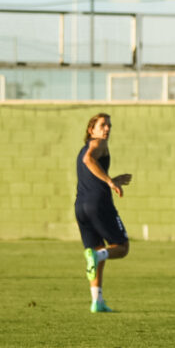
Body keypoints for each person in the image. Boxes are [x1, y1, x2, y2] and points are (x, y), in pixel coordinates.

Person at [75, 113, 131, 313]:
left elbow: (90, 172)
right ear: (91, 130)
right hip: (99, 204)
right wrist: (110, 181)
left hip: (80, 207)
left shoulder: (88, 146)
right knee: (122, 248)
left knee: (97, 251)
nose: (107, 129)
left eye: (109, 125)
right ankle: (97, 257)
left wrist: (112, 178)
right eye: (102, 125)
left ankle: (96, 301)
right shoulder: (98, 144)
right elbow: (88, 159)